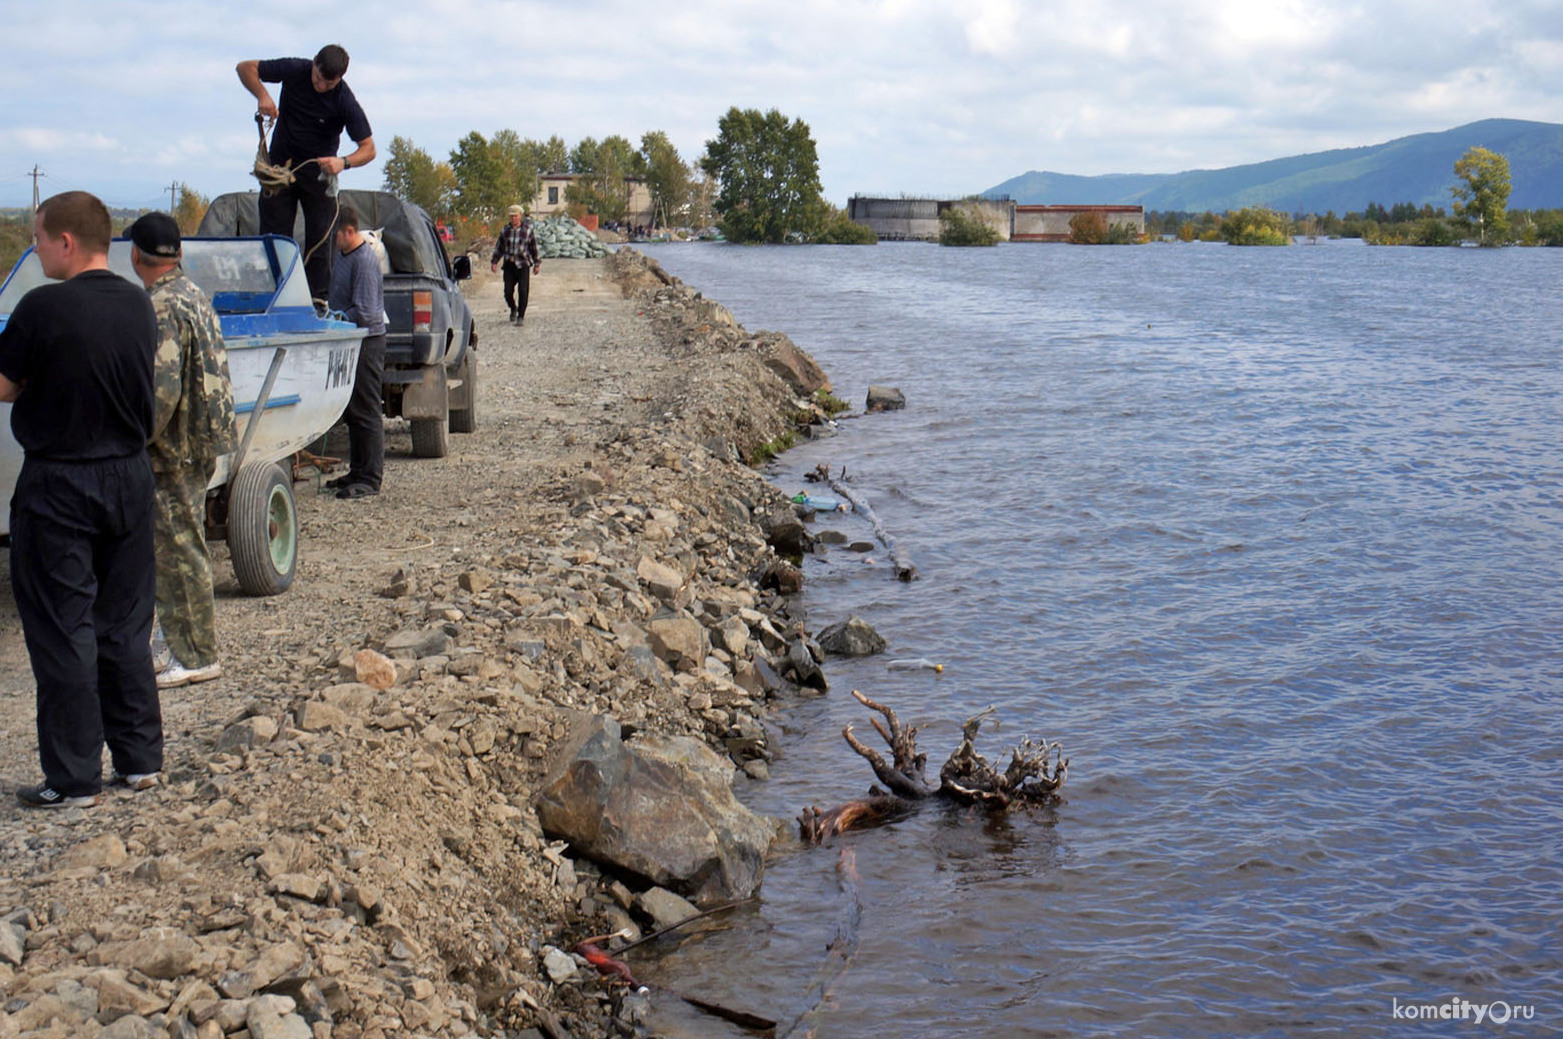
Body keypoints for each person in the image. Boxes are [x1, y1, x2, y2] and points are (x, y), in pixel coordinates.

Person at [0, 191, 162, 808]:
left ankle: (72, 778)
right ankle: (140, 760)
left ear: (66, 241)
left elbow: (5, 384)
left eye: (39, 238)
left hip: (60, 482)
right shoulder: (138, 304)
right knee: (124, 623)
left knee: (64, 628)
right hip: (128, 476)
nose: (35, 248)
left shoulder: (42, 307)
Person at [127, 212, 238, 692]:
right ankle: (175, 645)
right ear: (179, 254)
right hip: (198, 443)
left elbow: (160, 391)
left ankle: (196, 655)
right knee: (174, 549)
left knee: (179, 550)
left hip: (173, 452)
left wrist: (130, 436)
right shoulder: (193, 294)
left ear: (135, 256)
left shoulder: (161, 306)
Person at [237, 44, 375, 306]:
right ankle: (273, 297)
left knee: (321, 241)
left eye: (328, 83)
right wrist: (263, 95)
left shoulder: (344, 100)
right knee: (274, 237)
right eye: (317, 78)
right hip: (280, 171)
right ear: (313, 64)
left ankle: (317, 302)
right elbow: (245, 68)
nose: (320, 86)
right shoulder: (296, 69)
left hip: (319, 176)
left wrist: (343, 162)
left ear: (340, 79)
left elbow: (368, 149)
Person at [325, 204, 386, 499]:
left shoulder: (364, 261)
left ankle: (371, 478)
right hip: (349, 342)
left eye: (336, 234)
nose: (333, 240)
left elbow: (367, 312)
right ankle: (357, 470)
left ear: (349, 231)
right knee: (352, 411)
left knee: (367, 410)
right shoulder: (343, 255)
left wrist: (336, 318)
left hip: (368, 341)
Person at [490, 204, 541, 324]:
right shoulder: (505, 230)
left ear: (520, 216)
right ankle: (513, 308)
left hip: (523, 264)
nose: (513, 218)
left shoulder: (527, 230)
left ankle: (521, 316)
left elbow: (534, 248)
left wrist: (537, 263)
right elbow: (499, 247)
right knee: (508, 292)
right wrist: (494, 261)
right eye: (511, 216)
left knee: (523, 291)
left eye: (515, 216)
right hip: (509, 264)